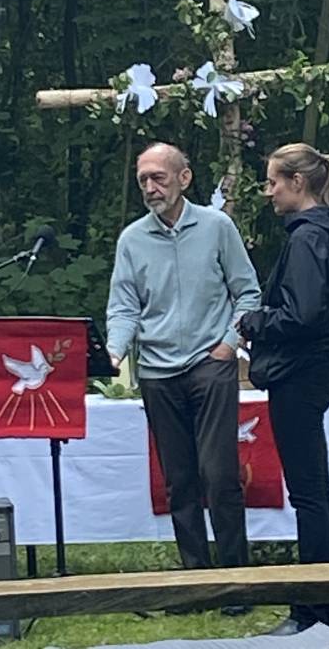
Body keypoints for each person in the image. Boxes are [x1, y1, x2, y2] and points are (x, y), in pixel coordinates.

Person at [106, 142, 261, 578]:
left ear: (184, 178)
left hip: (210, 365)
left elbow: (247, 292)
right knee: (179, 481)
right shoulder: (132, 239)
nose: (151, 188)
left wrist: (229, 344)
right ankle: (195, 577)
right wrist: (116, 349)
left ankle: (235, 577)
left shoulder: (216, 226)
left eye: (159, 177)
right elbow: (123, 306)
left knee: (220, 475)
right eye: (143, 181)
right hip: (156, 371)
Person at [238, 143, 329, 635]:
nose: (269, 192)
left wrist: (255, 321)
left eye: (273, 182)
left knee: (307, 494)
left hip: (298, 373)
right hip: (311, 371)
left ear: (298, 183)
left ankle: (310, 610)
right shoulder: (321, 233)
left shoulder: (309, 238)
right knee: (319, 491)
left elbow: (303, 314)